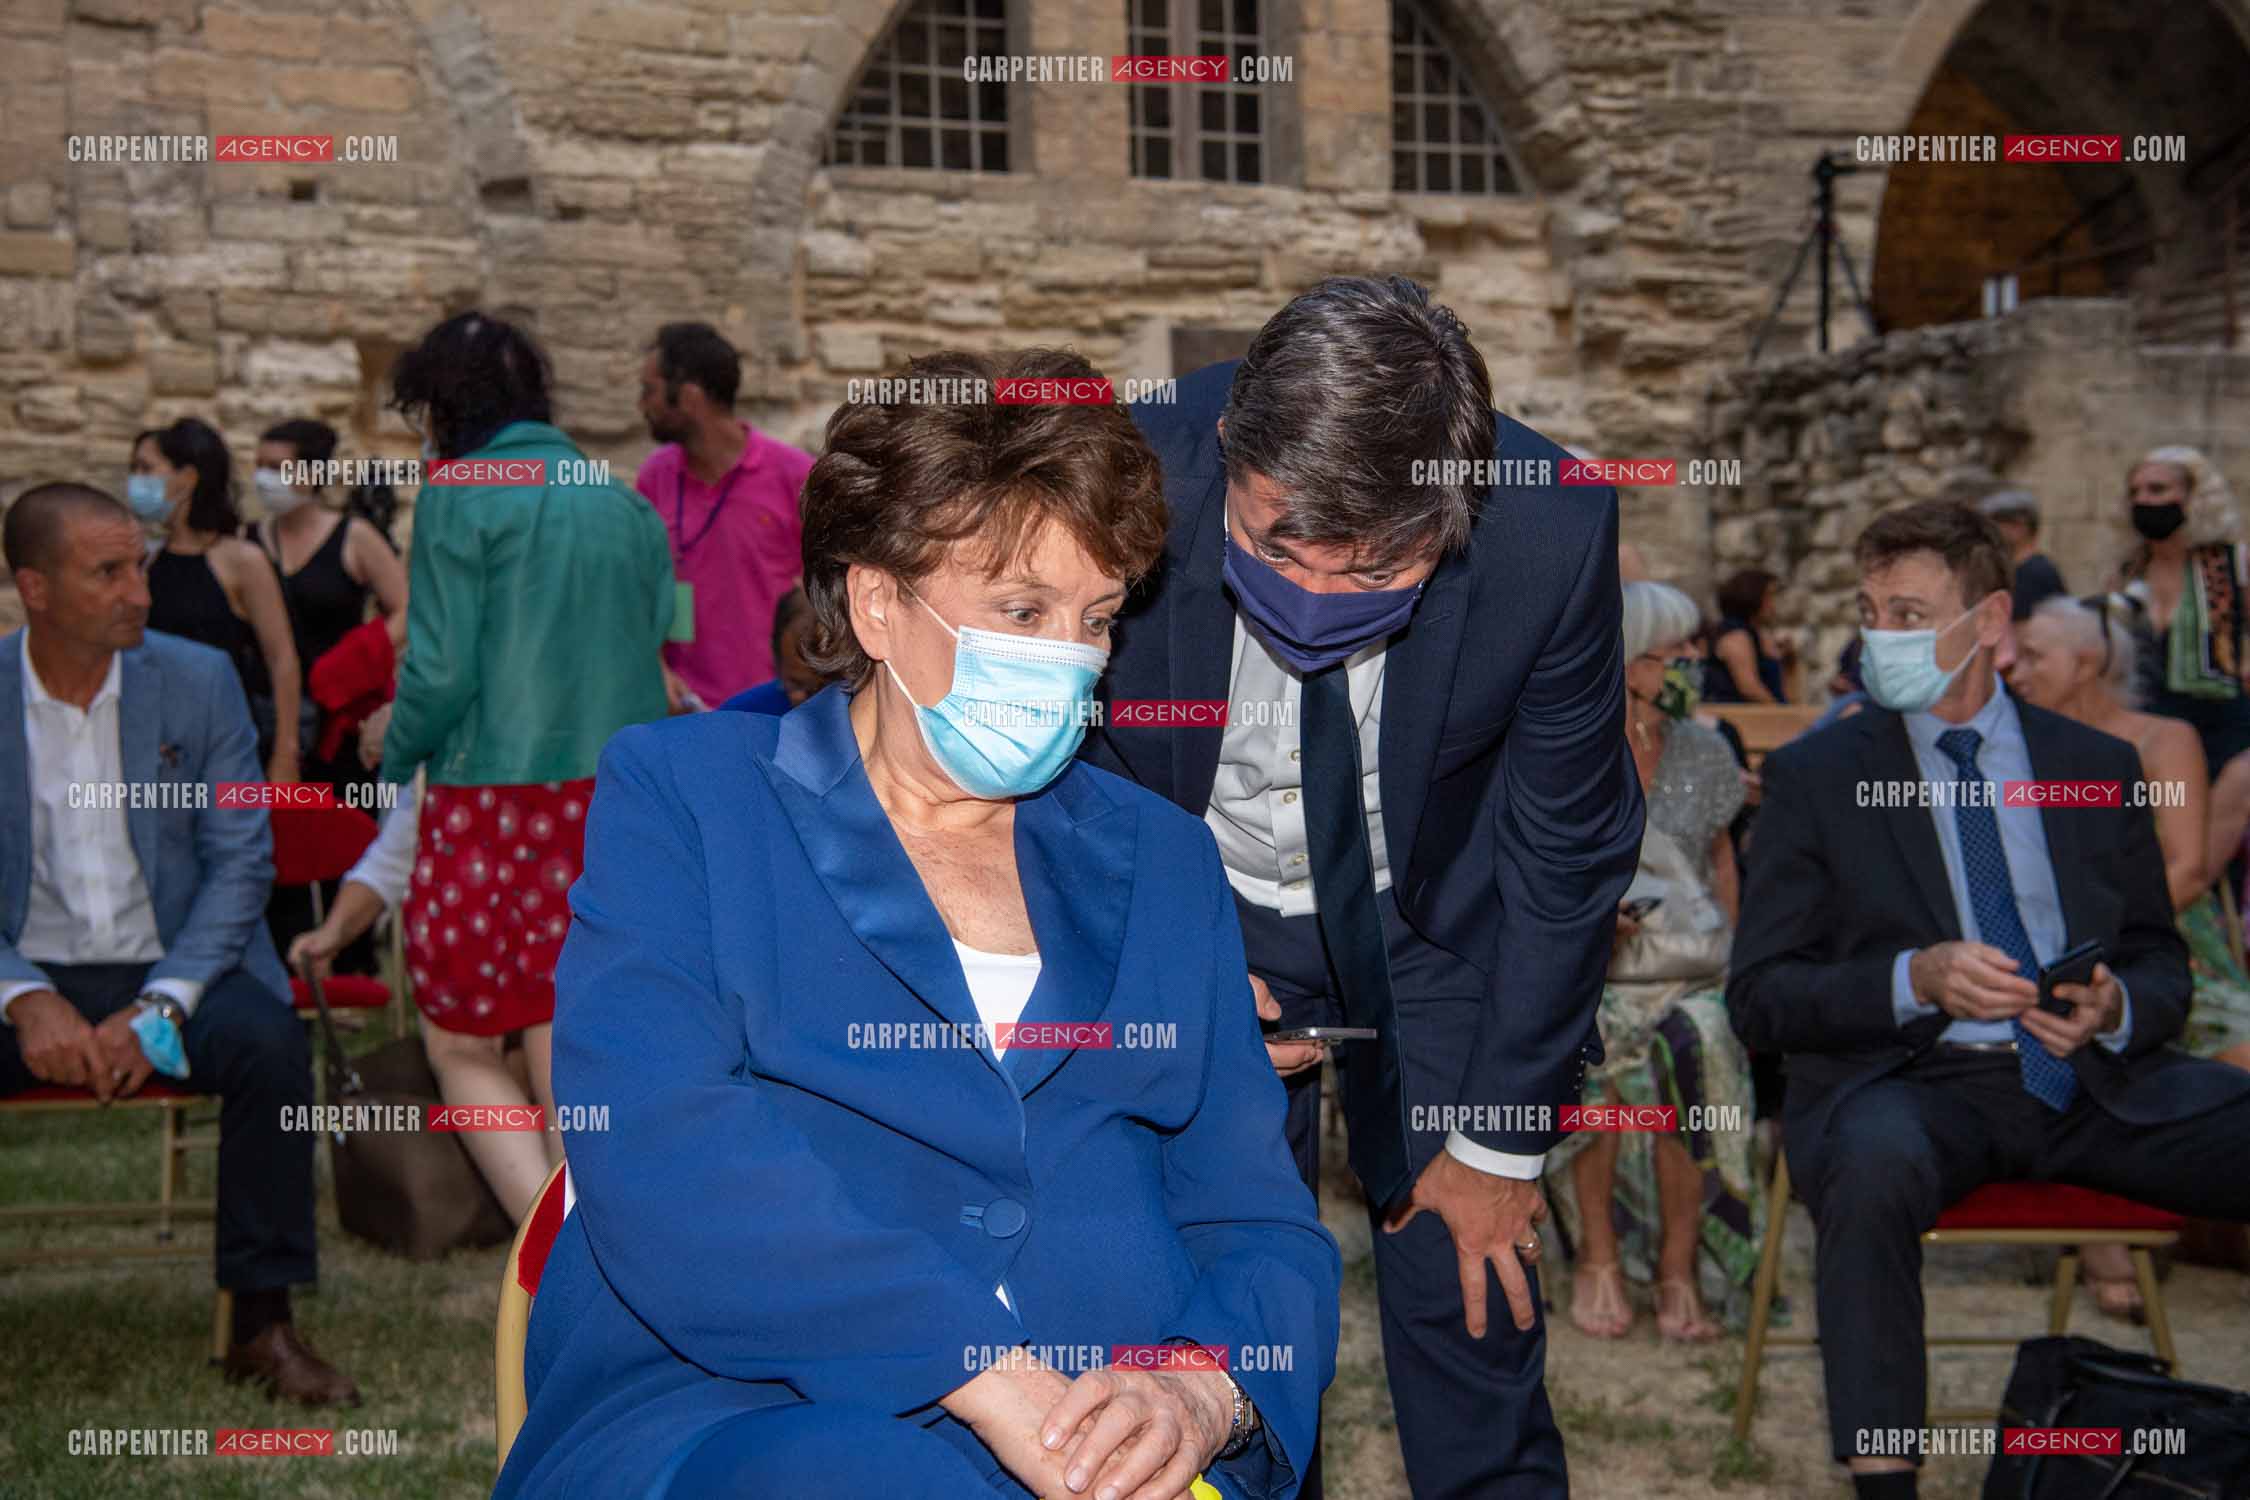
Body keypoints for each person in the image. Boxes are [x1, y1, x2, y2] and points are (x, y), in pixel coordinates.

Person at [495, 347, 1339, 1500]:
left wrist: (1198, 1386)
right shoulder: (690, 797)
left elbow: (1258, 1217)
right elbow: (666, 1143)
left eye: (1096, 617)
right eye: (1020, 609)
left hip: (1115, 1448)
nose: (1070, 659)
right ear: (879, 600)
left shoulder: (1161, 858)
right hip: (752, 1415)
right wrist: (989, 1376)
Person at [1082, 275, 1644, 1499]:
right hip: (1196, 903)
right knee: (1210, 1305)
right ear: (1230, 447)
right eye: (1281, 544)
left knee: (1472, 1289)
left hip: (1429, 926)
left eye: (1380, 562)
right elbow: (1065, 760)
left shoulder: (1550, 529)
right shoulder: (1127, 468)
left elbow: (1569, 845)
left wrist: (1501, 1144)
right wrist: (1157, 956)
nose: (1320, 597)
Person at [1729, 499, 2250, 1500]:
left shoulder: (2094, 769)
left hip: (2090, 1078)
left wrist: (2115, 1008)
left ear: (1993, 620)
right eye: (1871, 610)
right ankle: (1886, 1484)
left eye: (1911, 613)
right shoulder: (1819, 775)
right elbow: (1760, 998)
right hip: (1911, 1084)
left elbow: (2159, 961)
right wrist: (1910, 977)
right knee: (1873, 1169)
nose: (1882, 637)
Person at [0, 482, 357, 1405]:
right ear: (33, 589)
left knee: (272, 1047)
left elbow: (241, 862)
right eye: (108, 573)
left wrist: (159, 1007)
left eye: (141, 566)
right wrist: (23, 996)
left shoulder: (197, 681)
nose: (141, 592)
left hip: (174, 959)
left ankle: (262, 1322)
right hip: (26, 969)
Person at [377, 311, 675, 1223]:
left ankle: (543, 1266)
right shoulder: (623, 498)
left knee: (462, 1037)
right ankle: (591, 1261)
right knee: (564, 1032)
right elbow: (668, 631)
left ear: (445, 406)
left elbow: (437, 669)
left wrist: (390, 753)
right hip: (618, 801)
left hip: (491, 800)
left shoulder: (460, 493)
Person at [1548, 582, 1762, 1343]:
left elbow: (1724, 865)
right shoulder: (1574, 746)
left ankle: (1678, 1267)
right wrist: (1588, 922)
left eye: (1693, 651)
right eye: (1674, 654)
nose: (1690, 666)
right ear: (1629, 663)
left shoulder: (1706, 748)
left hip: (1691, 969)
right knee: (1592, 1056)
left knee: (1696, 1046)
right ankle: (1598, 1257)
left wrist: (1734, 964)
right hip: (1592, 972)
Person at [634, 321, 816, 711]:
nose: (641, 405)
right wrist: (655, 667)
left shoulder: (795, 476)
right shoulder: (655, 477)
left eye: (649, 390)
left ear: (688, 396)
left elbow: (833, 595)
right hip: (683, 708)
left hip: (774, 707)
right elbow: (637, 588)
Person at [131, 419, 302, 782]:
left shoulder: (240, 560)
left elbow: (282, 658)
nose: (137, 481)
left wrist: (286, 752)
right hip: (156, 747)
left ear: (188, 477)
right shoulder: (146, 561)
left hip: (224, 747)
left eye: (147, 469)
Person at [247, 419, 408, 783]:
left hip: (336, 718)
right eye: (259, 466)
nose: (263, 478)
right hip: (262, 713)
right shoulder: (251, 537)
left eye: (276, 468)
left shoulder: (354, 536)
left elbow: (406, 608)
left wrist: (356, 661)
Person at [2111, 445, 2250, 774]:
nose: (2143, 500)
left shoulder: (2233, 562)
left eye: (2157, 489)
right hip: (2146, 724)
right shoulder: (2129, 570)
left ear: (2193, 497)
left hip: (2222, 726)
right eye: (2135, 492)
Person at [717, 587, 828, 714]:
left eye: (821, 688)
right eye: (797, 684)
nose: (811, 702)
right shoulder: (741, 715)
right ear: (775, 657)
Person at [1702, 568, 1793, 704]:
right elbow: (1750, 688)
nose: (1773, 604)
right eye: (1769, 596)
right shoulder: (1737, 635)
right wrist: (1782, 714)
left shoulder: (1757, 635)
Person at [1978, 489, 2067, 620]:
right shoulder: (2019, 570)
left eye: (1995, 524)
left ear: (2018, 526)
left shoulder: (2035, 574)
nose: (1990, 534)